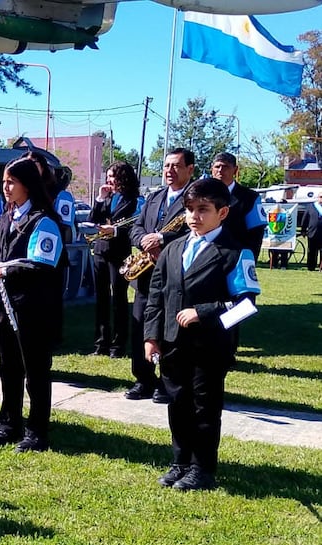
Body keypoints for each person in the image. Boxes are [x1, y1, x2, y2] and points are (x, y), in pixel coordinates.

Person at [145, 178, 261, 491]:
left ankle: (202, 468)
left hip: (210, 346)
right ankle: (181, 461)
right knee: (177, 404)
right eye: (189, 209)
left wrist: (205, 312)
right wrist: (151, 336)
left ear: (222, 213)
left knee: (203, 409)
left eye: (203, 209)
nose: (194, 216)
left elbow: (246, 305)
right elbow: (156, 296)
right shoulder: (172, 249)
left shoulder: (235, 253)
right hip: (173, 343)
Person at [0, 157, 64, 453]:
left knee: (36, 371)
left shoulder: (44, 221)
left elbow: (42, 264)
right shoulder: (5, 218)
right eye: (4, 182)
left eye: (11, 182)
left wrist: (7, 270)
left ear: (27, 185)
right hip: (6, 306)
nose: (5, 187)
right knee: (9, 369)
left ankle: (36, 432)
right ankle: (8, 424)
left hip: (34, 308)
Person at [126, 147, 194, 404]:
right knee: (140, 326)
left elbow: (193, 231)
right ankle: (143, 379)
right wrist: (144, 240)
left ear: (190, 170)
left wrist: (162, 239)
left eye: (176, 166)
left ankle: (166, 383)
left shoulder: (194, 197)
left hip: (174, 275)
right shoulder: (154, 197)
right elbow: (136, 226)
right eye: (166, 165)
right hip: (145, 275)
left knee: (168, 330)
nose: (169, 170)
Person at [89, 161, 140, 358]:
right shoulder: (107, 197)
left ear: (123, 177)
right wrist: (100, 198)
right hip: (100, 251)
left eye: (113, 176)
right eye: (108, 176)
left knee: (119, 299)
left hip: (119, 253)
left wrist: (116, 230)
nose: (109, 180)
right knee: (101, 299)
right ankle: (101, 343)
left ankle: (118, 345)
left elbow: (134, 226)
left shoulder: (133, 199)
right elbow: (93, 219)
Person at [210, 152, 267, 256]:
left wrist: (248, 259)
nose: (220, 170)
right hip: (204, 256)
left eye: (225, 167)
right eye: (217, 167)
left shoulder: (250, 197)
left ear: (235, 170)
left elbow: (256, 233)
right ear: (211, 169)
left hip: (234, 257)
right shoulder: (201, 195)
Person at [305, 191, 322, 272]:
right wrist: (303, 230)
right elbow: (305, 218)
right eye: (321, 197)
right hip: (312, 232)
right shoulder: (311, 206)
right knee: (312, 251)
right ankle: (311, 267)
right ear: (317, 198)